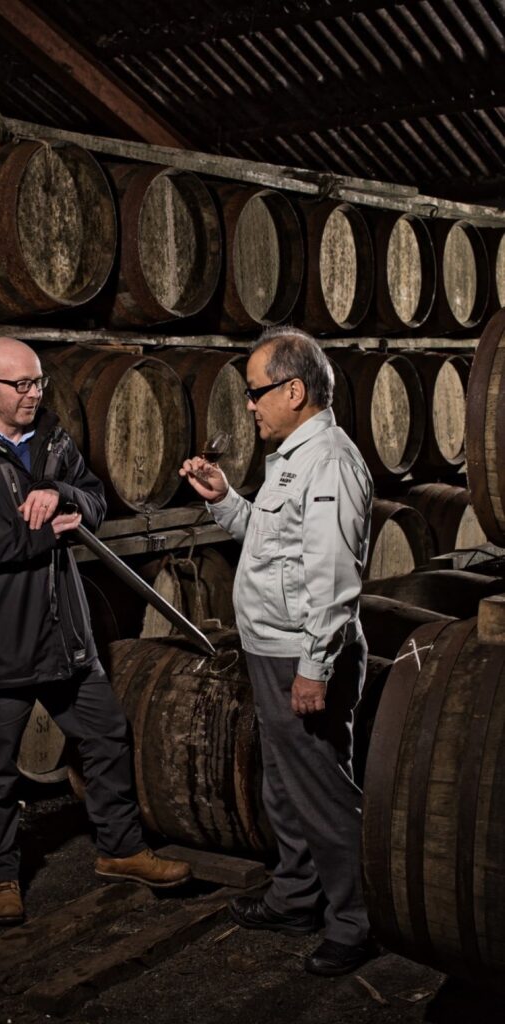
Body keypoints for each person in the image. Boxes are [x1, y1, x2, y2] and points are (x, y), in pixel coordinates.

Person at [0, 337, 190, 925]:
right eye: (20, 384)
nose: (33, 394)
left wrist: (63, 494)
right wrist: (39, 534)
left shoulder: (55, 440)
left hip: (64, 630)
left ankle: (120, 850)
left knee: (107, 735)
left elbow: (93, 501)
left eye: (38, 382)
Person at [180, 326, 375, 977]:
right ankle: (296, 897)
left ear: (294, 390)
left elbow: (333, 580)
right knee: (284, 788)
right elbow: (272, 542)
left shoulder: (331, 466)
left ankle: (355, 920)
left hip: (301, 656)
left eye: (257, 392)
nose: (250, 405)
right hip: (272, 651)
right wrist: (225, 502)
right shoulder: (291, 457)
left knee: (320, 791)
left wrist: (315, 668)